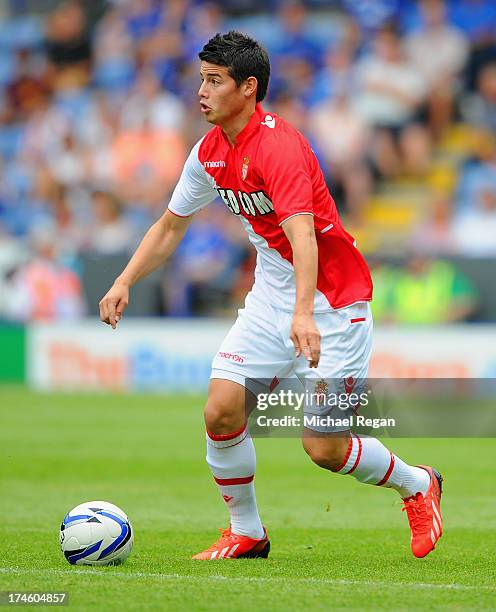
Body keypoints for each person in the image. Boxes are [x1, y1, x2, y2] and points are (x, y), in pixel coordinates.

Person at [99, 31, 443, 560]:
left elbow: (302, 234)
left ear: (248, 88)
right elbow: (170, 227)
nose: (202, 91)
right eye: (201, 79)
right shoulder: (208, 152)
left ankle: (417, 483)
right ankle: (247, 532)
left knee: (322, 448)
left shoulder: (278, 146)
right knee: (220, 411)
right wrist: (124, 280)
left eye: (215, 81)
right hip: (272, 296)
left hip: (333, 303)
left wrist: (304, 313)